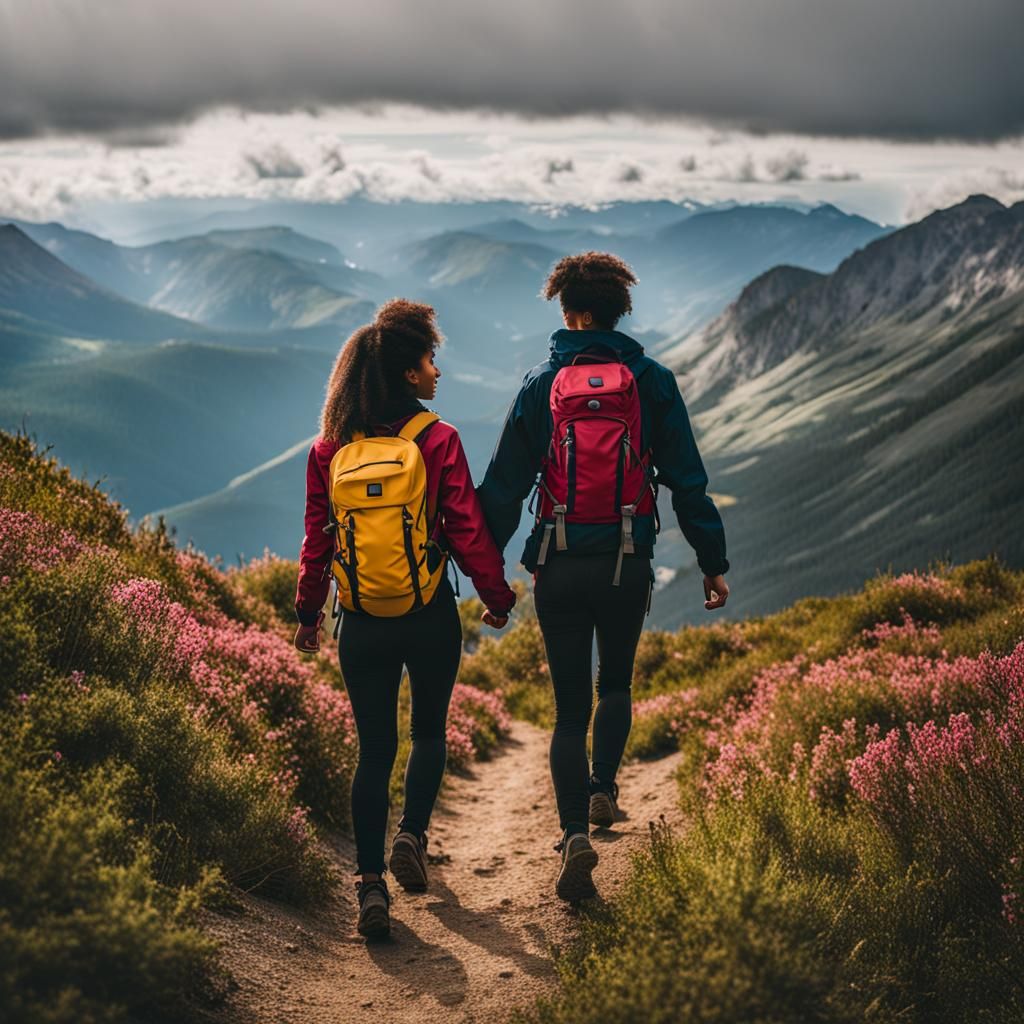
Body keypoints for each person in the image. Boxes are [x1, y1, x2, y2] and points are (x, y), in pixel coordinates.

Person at [477, 252, 730, 901]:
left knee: (567, 711)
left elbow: (503, 491)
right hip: (627, 559)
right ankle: (602, 791)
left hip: (557, 562)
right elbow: (688, 484)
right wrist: (712, 563)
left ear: (571, 311)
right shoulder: (652, 380)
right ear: (619, 311)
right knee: (613, 681)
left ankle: (571, 838)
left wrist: (490, 582)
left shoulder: (541, 382)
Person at [294, 299, 516, 939]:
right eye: (429, 359)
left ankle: (369, 886)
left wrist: (309, 614)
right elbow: (467, 530)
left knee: (373, 750)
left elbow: (318, 542)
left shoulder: (327, 449)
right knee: (427, 733)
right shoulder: (438, 440)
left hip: (361, 621)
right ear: (406, 373)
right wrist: (496, 597)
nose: (437, 372)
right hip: (428, 615)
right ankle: (413, 836)